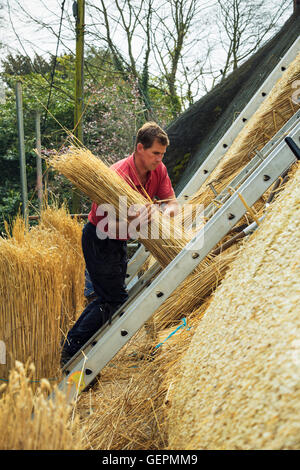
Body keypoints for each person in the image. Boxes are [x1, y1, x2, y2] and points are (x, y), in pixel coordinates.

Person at [60, 122, 179, 367]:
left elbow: (172, 203)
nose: (159, 159)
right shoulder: (116, 177)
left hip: (118, 241)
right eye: (155, 153)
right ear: (139, 148)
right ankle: (71, 352)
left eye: (162, 154)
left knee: (110, 298)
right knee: (110, 300)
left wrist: (162, 213)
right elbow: (108, 226)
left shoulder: (159, 170)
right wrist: (133, 219)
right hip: (100, 239)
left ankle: (84, 358)